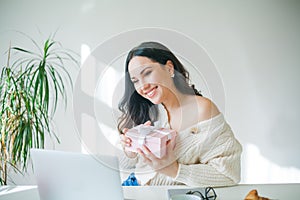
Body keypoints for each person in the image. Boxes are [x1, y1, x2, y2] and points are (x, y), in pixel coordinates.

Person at [117, 41, 242, 187]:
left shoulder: (202, 109)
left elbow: (228, 174)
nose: (143, 86)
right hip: (134, 188)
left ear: (169, 68)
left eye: (147, 73)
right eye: (135, 81)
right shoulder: (146, 111)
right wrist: (129, 150)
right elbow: (125, 166)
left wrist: (174, 170)